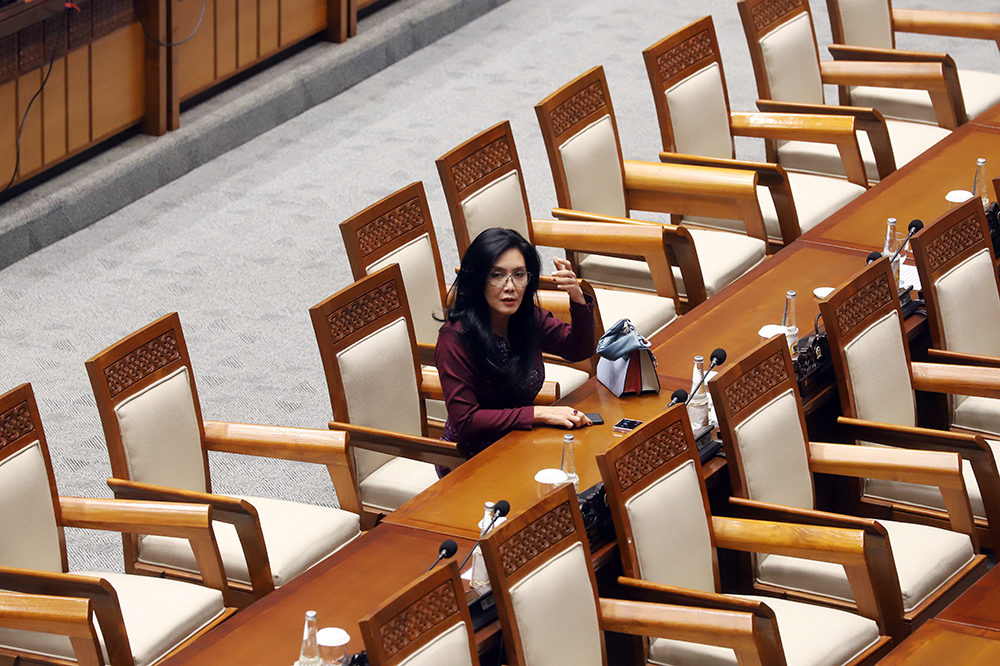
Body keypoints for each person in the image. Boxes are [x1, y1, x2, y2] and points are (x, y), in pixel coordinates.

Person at [435, 227, 595, 460]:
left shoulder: (526, 317)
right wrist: (537, 414)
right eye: (497, 275)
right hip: (471, 459)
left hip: (522, 440)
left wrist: (578, 299)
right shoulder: (454, 338)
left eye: (519, 275)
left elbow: (577, 349)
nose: (510, 286)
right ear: (479, 279)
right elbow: (466, 421)